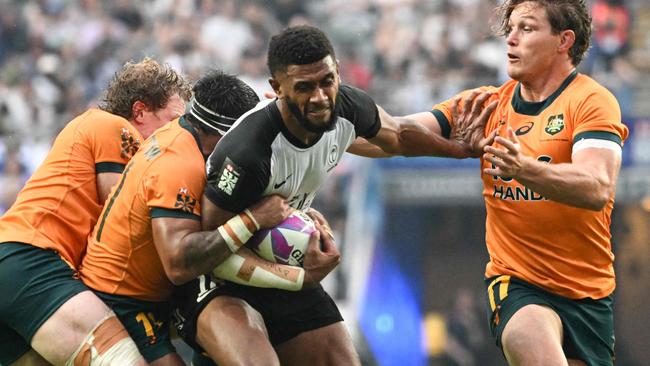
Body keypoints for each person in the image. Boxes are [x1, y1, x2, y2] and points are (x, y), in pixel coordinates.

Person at [174, 25, 497, 366]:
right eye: (303, 87)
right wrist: (291, 268)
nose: (319, 97)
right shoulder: (248, 153)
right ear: (276, 88)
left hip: (285, 269)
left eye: (326, 81)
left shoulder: (347, 106)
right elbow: (206, 253)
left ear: (338, 71)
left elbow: (399, 135)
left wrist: (460, 149)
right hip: (219, 282)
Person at [414, 1, 628, 365]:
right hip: (517, 285)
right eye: (510, 29)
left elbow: (597, 187)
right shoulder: (486, 106)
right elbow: (395, 133)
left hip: (589, 296)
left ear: (564, 40)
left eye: (526, 29)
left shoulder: (592, 102)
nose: (510, 39)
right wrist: (331, 116)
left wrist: (523, 168)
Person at [79, 69, 339, 365]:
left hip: (161, 289)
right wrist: (255, 222)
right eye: (246, 134)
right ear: (224, 134)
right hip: (124, 300)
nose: (252, 143)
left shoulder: (197, 143)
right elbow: (179, 264)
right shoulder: (177, 164)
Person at [0, 57, 190, 365]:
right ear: (140, 111)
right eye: (173, 120)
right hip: (34, 261)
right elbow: (124, 218)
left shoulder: (88, 127)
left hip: (17, 264)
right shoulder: (114, 127)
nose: (179, 133)